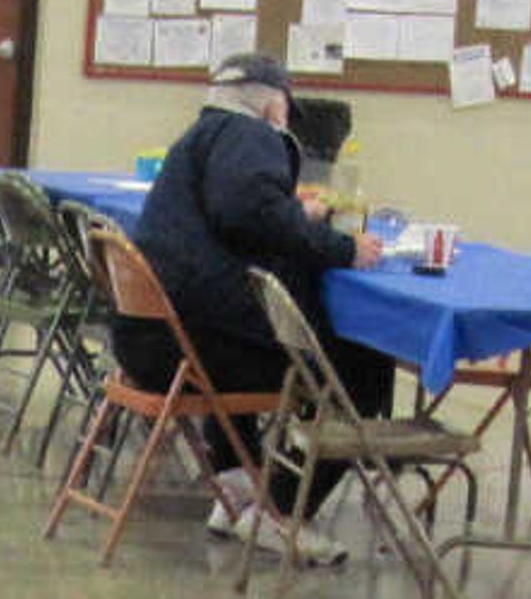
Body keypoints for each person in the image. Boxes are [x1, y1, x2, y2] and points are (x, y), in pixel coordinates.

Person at [118, 48, 391, 565]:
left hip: (153, 344)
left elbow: (240, 210)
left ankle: (236, 490)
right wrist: (341, 247)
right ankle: (282, 511)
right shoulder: (251, 136)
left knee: (254, 327)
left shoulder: (201, 138)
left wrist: (291, 212)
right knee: (358, 360)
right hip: (194, 349)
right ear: (272, 108)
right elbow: (249, 214)